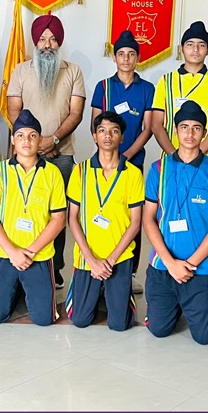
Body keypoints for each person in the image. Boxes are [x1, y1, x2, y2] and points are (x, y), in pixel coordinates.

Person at [6, 12, 86, 286]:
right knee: (21, 209)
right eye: (42, 39)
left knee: (57, 215)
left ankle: (55, 267)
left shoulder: (73, 71)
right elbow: (14, 110)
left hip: (62, 155)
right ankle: (18, 264)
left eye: (52, 39)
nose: (47, 44)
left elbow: (76, 113)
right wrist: (34, 144)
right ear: (35, 42)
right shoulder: (20, 70)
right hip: (25, 155)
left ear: (59, 41)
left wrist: (53, 140)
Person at [143, 101, 208, 342]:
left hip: (201, 267)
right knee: (158, 330)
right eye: (184, 127)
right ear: (175, 130)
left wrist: (189, 264)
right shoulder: (158, 169)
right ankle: (180, 303)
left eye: (196, 128)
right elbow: (148, 219)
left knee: (206, 337)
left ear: (204, 132)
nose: (190, 133)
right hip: (163, 266)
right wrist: (171, 263)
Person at [0, 110, 67, 326]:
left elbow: (59, 219)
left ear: (40, 140)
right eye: (20, 135)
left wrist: (29, 252)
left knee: (44, 319)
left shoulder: (52, 173)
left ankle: (23, 285)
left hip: (38, 254)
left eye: (32, 135)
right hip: (4, 252)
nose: (26, 141)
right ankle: (16, 286)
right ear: (13, 140)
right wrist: (13, 252)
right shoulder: (0, 171)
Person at [65, 112, 144, 331]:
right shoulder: (80, 171)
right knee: (80, 320)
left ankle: (117, 292)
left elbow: (135, 223)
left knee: (119, 324)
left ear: (122, 137)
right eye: (102, 131)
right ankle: (93, 289)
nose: (108, 135)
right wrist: (91, 259)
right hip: (87, 257)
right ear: (94, 136)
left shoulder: (133, 174)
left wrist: (109, 260)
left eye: (114, 131)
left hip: (118, 257)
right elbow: (72, 218)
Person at [90, 29, 155, 281]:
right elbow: (95, 124)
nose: (126, 59)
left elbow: (148, 128)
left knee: (131, 218)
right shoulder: (103, 87)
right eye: (121, 54)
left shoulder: (147, 88)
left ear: (138, 58)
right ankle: (98, 264)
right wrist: (110, 154)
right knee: (101, 212)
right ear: (114, 57)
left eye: (131, 54)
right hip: (103, 163)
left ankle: (130, 272)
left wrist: (126, 155)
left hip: (132, 163)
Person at [151, 20, 208, 162]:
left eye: (201, 45)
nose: (195, 49)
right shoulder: (166, 81)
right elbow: (156, 124)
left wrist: (194, 156)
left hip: (207, 160)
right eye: (190, 44)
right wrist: (175, 156)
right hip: (172, 159)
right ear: (182, 48)